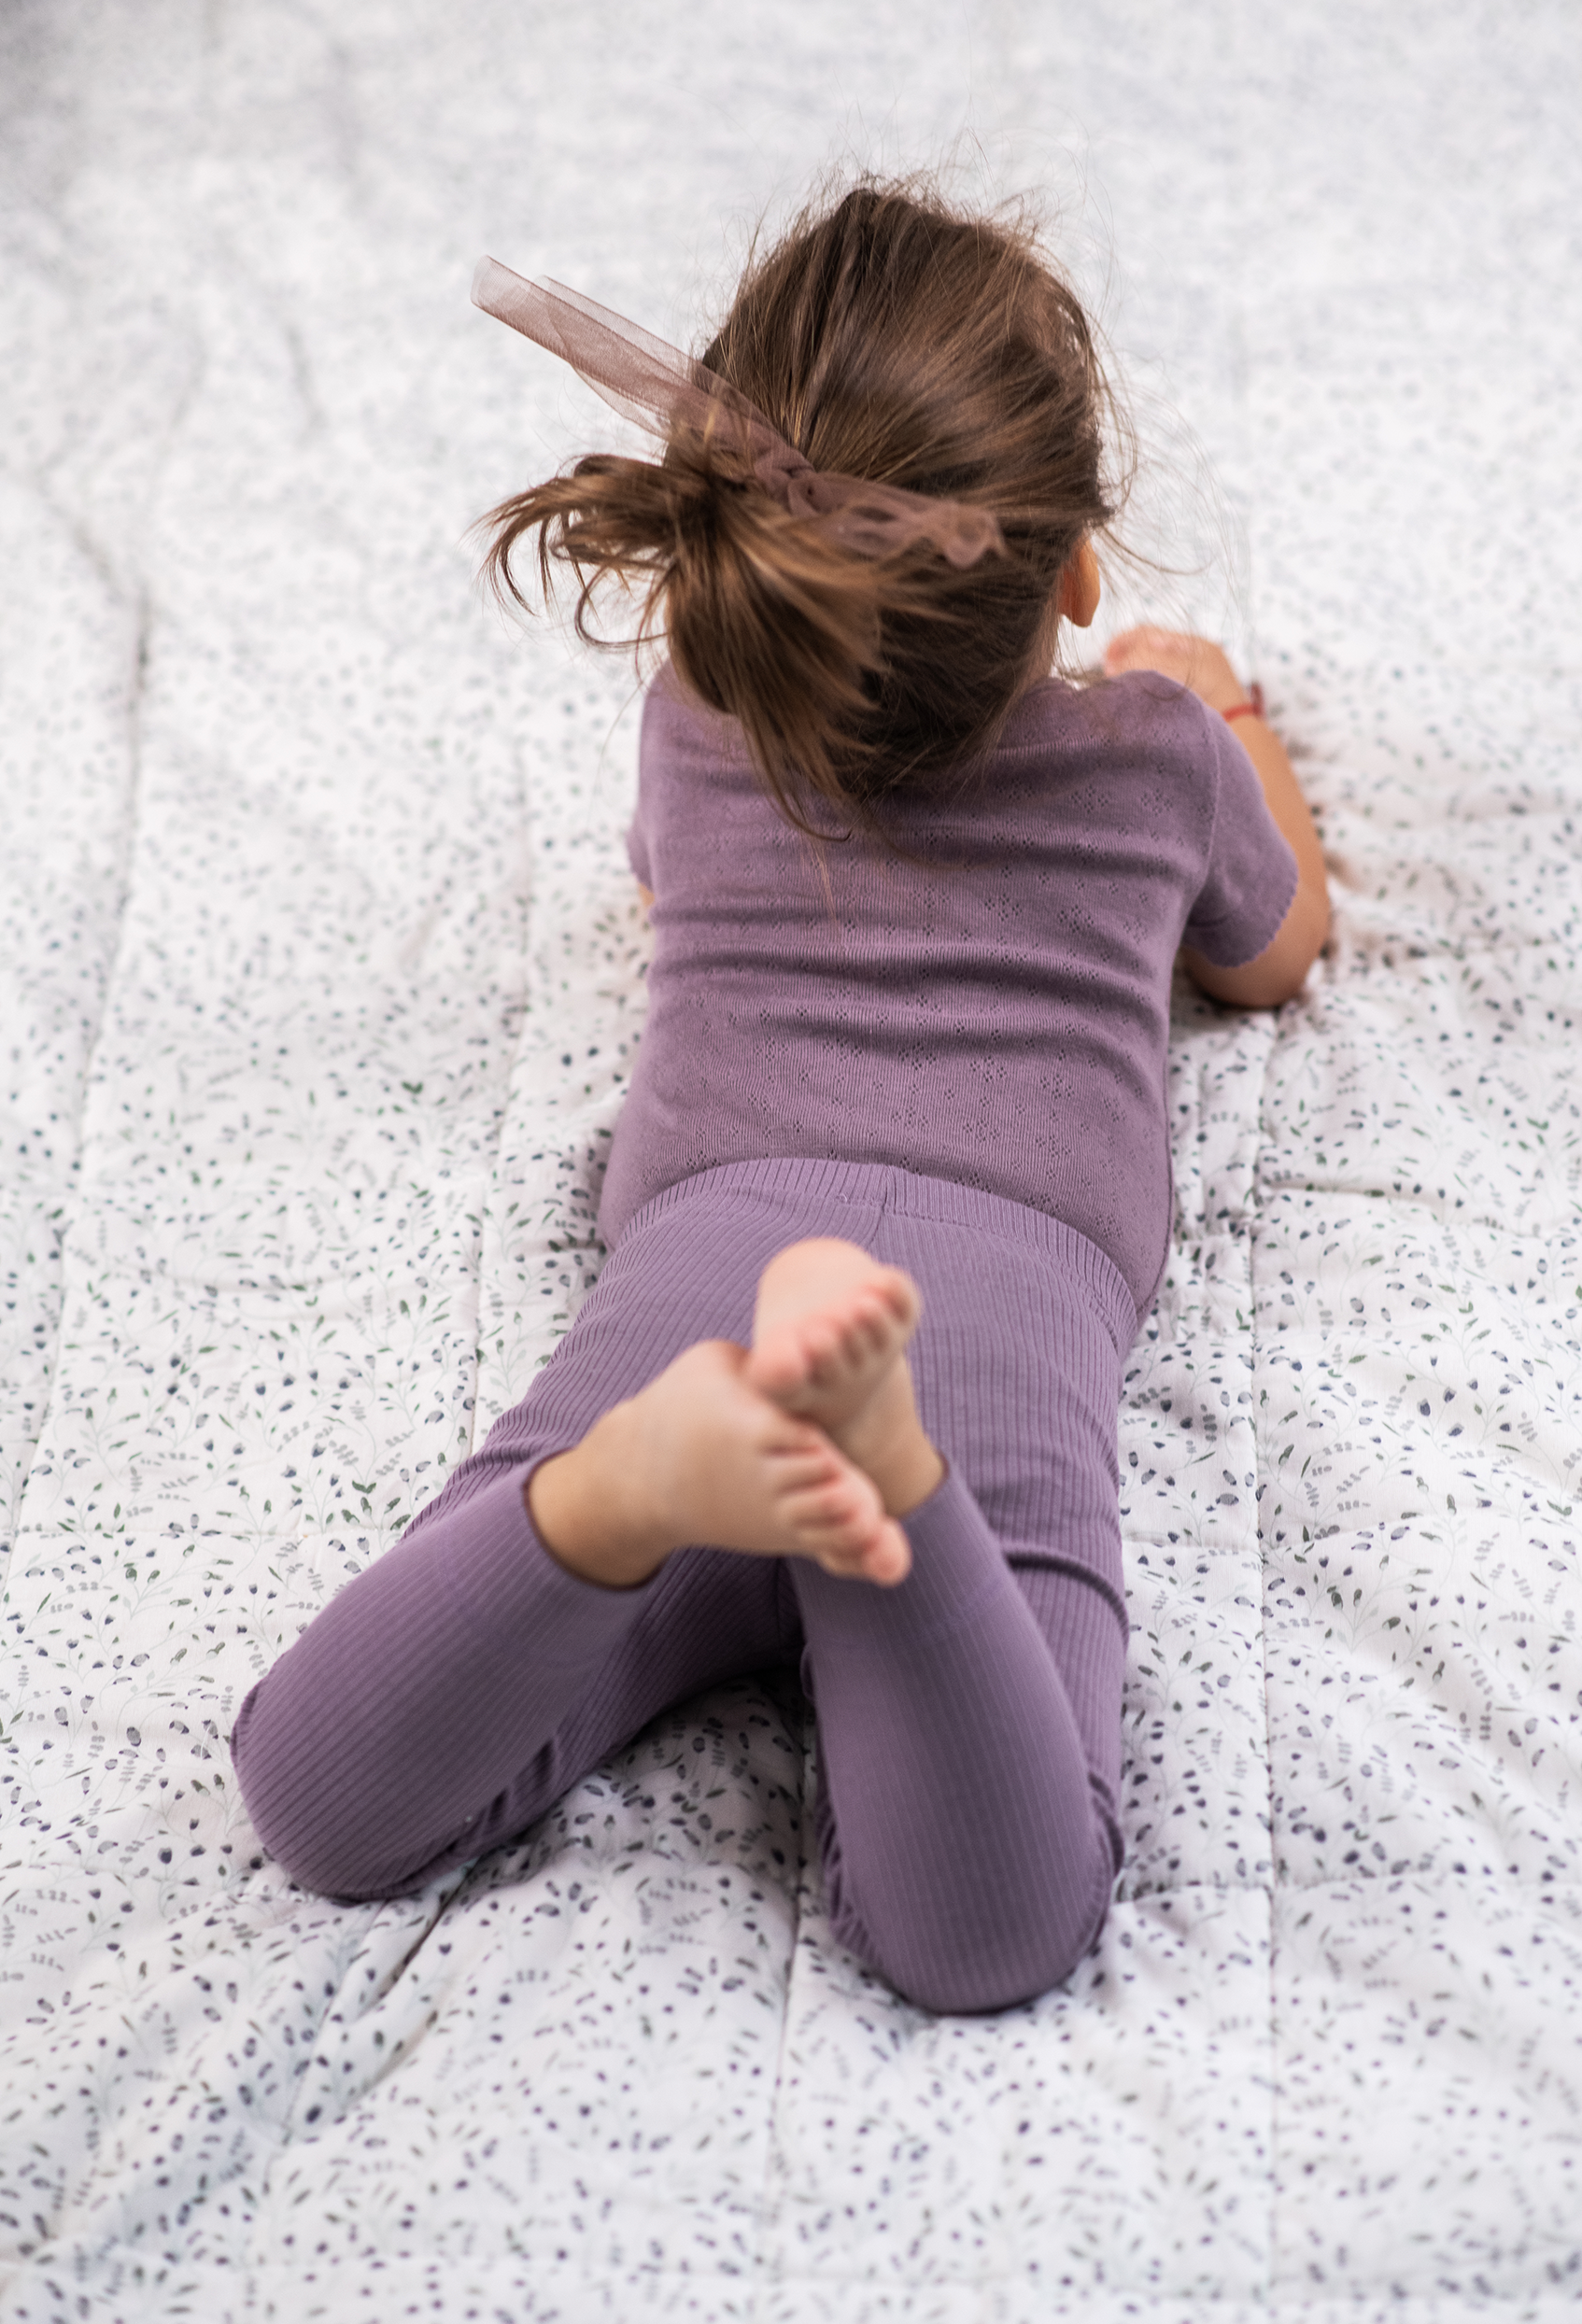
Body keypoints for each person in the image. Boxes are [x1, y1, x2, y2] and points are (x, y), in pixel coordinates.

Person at [231, 180, 1328, 2015]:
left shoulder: (693, 715)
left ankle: (609, 1499)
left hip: (700, 1285)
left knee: (330, 1803)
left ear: (737, 566)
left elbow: (662, 885)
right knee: (988, 1931)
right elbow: (1273, 954)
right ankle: (886, 1483)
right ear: (1073, 571)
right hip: (1002, 1304)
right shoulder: (1156, 759)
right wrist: (1225, 713)